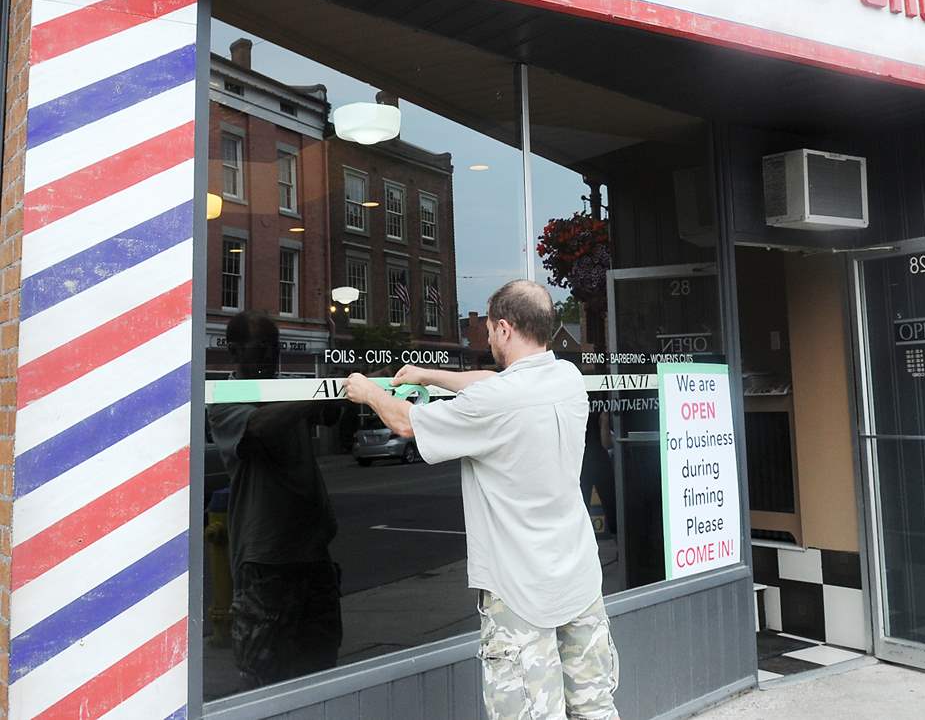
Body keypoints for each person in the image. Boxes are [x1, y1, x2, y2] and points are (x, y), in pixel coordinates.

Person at [344, 280, 620, 720]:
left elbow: (406, 423)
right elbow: (494, 382)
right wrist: (428, 374)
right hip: (579, 575)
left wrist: (367, 390)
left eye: (490, 329)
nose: (488, 337)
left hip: (519, 591)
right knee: (595, 707)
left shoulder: (495, 402)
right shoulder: (566, 378)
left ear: (506, 329)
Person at [208, 311, 342, 690]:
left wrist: (336, 396)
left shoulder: (285, 390)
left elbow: (329, 415)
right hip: (265, 558)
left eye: (275, 347)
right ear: (234, 351)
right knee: (265, 672)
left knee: (320, 666)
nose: (271, 356)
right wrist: (314, 394)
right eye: (261, 347)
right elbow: (258, 430)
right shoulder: (224, 398)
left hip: (312, 552)